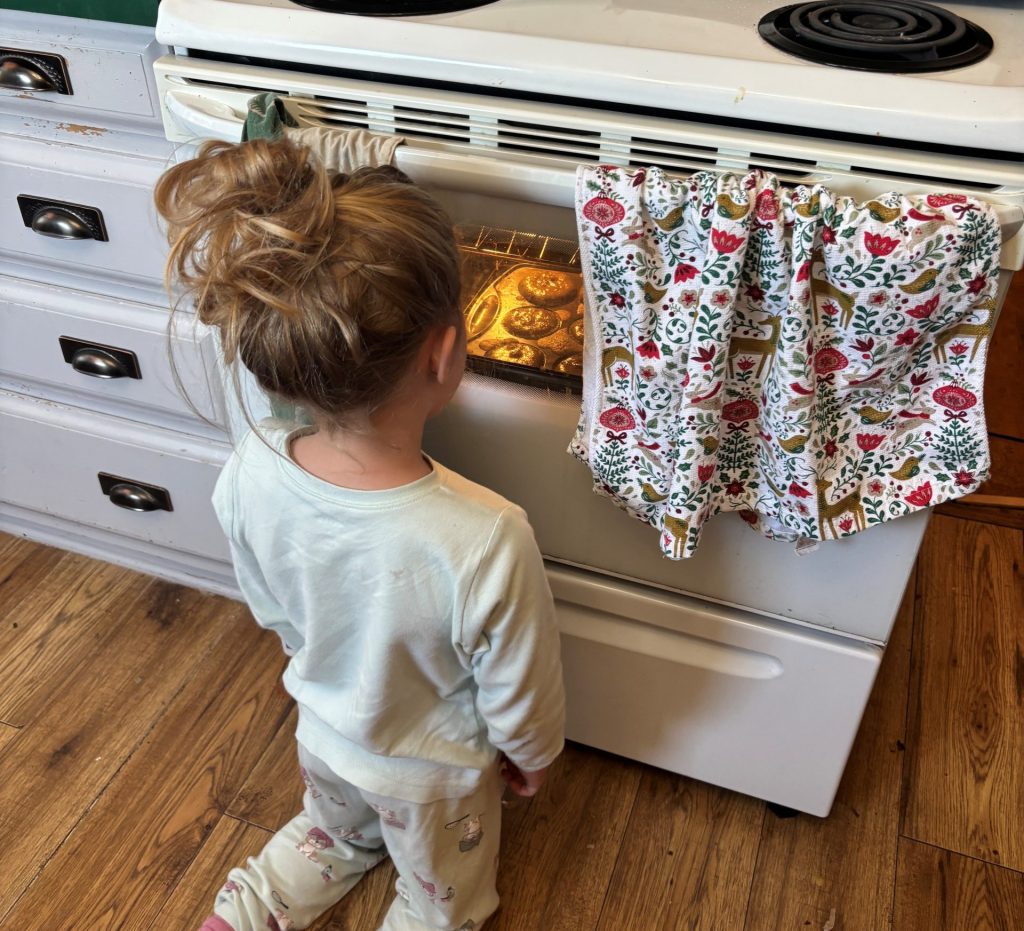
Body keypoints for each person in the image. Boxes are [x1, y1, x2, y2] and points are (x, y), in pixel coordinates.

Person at [154, 138, 565, 931]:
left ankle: (244, 912)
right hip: (431, 780)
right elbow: (521, 688)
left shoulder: (250, 465)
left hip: (325, 736)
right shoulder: (487, 535)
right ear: (446, 354)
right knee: (438, 899)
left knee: (331, 834)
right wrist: (532, 756)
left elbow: (274, 610)